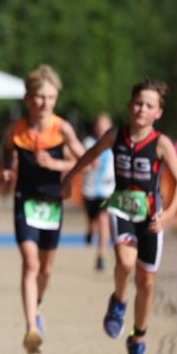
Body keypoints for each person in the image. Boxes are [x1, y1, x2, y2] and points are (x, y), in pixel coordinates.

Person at [61, 78, 177, 354]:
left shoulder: (161, 144)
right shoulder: (115, 134)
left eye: (149, 106)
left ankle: (138, 340)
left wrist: (168, 214)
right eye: (138, 103)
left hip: (151, 217)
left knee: (146, 282)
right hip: (121, 208)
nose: (141, 109)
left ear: (158, 113)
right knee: (125, 261)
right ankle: (119, 299)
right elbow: (90, 155)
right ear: (130, 105)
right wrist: (70, 177)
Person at [1, 65, 84, 354]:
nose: (44, 103)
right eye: (39, 97)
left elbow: (86, 161)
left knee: (47, 268)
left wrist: (57, 166)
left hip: (52, 203)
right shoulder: (16, 130)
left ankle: (37, 305)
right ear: (28, 99)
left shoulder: (62, 129)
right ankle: (31, 327)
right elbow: (8, 157)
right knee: (31, 263)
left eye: (50, 97)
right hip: (25, 200)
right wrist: (8, 173)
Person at [80, 114, 116, 271]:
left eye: (105, 126)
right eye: (100, 126)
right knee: (92, 220)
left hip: (108, 191)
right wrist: (89, 163)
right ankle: (89, 230)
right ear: (95, 128)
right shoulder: (88, 143)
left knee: (104, 221)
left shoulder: (115, 145)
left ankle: (100, 257)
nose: (102, 130)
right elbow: (80, 162)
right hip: (90, 191)